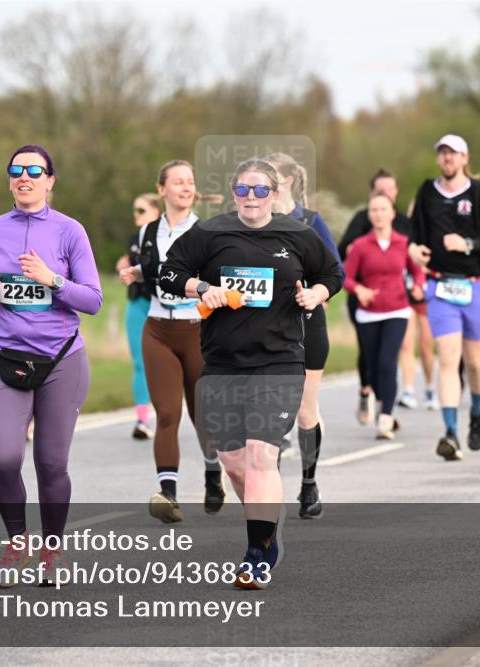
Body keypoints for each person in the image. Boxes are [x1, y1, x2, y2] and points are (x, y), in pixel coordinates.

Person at [159, 158, 342, 589]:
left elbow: (332, 273)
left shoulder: (298, 234)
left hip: (279, 362)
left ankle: (255, 554)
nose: (252, 198)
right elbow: (168, 274)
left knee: (262, 457)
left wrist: (316, 293)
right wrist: (202, 288)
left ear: (276, 193)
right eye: (244, 190)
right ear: (233, 193)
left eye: (261, 190)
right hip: (222, 363)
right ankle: (266, 525)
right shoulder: (209, 233)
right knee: (234, 464)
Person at [0, 144, 102, 584]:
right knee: (3, 458)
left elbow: (94, 300)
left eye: (34, 170)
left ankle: (52, 551)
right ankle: (17, 542)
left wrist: (53, 280)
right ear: (9, 179)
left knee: (50, 463)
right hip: (6, 358)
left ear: (50, 180)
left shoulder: (69, 232)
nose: (24, 176)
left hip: (62, 361)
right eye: (16, 170)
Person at [119, 161, 222, 522]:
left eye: (190, 182)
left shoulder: (207, 232)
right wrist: (135, 272)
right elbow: (152, 266)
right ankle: (169, 494)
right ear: (161, 189)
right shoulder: (148, 231)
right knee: (166, 414)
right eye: (178, 182)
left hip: (196, 330)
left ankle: (213, 475)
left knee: (201, 414)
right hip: (158, 328)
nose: (185, 187)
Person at [408, 134, 480, 461]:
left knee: (475, 361)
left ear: (465, 158)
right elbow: (413, 235)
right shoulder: (426, 191)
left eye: (453, 154)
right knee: (448, 358)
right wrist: (413, 249)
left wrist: (467, 245)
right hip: (440, 287)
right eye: (443, 154)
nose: (448, 159)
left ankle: (477, 408)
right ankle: (450, 432)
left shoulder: (479, 194)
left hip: (475, 284)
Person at [265, 152, 343, 520]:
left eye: (272, 182)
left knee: (304, 410)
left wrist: (318, 292)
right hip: (266, 330)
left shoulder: (311, 222)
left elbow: (335, 272)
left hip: (308, 325)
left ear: (289, 182)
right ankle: (270, 492)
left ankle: (309, 483)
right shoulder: (253, 223)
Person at [339, 170, 437, 416]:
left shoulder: (404, 230)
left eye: (390, 191)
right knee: (370, 357)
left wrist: (418, 284)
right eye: (380, 193)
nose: (381, 209)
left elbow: (417, 263)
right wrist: (359, 287)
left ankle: (388, 411)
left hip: (397, 302)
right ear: (372, 195)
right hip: (365, 304)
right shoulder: (361, 228)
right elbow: (343, 263)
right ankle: (368, 390)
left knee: (389, 356)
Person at [343, 194, 425, 437]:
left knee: (388, 362)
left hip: (398, 310)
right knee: (373, 367)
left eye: (383, 209)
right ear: (370, 215)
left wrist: (418, 286)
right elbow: (345, 277)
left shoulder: (403, 242)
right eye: (374, 210)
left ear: (392, 213)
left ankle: (386, 417)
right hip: (368, 314)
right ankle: (382, 403)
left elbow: (417, 271)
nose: (379, 214)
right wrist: (359, 289)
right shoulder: (360, 246)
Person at [114, 194, 161, 440]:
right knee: (140, 362)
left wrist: (130, 264)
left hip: (162, 306)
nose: (136, 215)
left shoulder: (167, 236)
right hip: (137, 304)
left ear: (156, 212)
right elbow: (131, 265)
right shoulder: (135, 239)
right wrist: (125, 265)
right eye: (135, 210)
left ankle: (170, 414)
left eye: (141, 210)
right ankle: (142, 420)